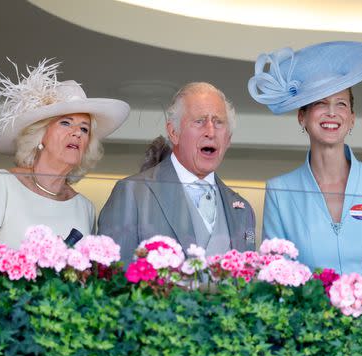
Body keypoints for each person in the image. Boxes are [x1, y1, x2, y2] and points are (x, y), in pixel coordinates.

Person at [249, 41, 362, 274]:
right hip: (307, 310)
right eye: (320, 103)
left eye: (341, 104)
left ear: (352, 118)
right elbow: (276, 279)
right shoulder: (280, 190)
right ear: (302, 117)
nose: (332, 112)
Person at [0, 59, 129, 248]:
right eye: (66, 123)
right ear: (40, 135)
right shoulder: (1, 183)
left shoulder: (84, 207)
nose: (77, 133)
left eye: (84, 129)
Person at [98, 82, 256, 263]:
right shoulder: (132, 193)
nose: (211, 132)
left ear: (228, 139)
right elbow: (113, 281)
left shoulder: (244, 210)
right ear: (173, 133)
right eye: (200, 121)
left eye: (218, 122)